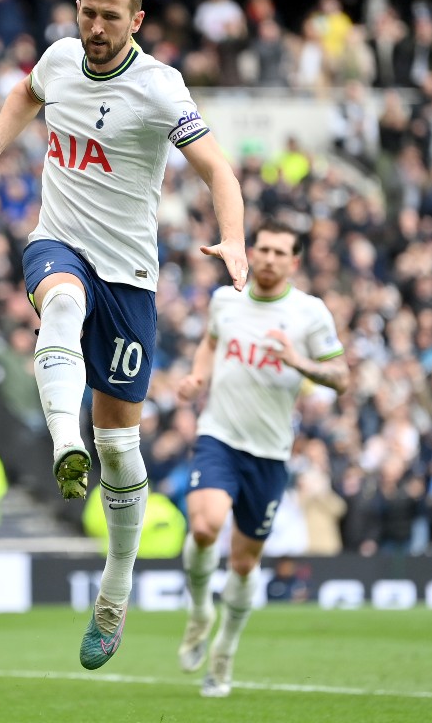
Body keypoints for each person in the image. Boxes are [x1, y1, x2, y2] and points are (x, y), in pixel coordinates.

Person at [0, 0, 248, 670]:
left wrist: (235, 238)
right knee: (59, 303)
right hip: (60, 242)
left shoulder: (158, 87)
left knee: (122, 447)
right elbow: (27, 94)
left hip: (130, 276)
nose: (93, 26)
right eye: (87, 10)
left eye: (109, 15)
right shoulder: (59, 59)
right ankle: (65, 441)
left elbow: (217, 167)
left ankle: (114, 593)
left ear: (136, 21)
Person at [176, 219, 350, 698]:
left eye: (281, 253)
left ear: (295, 262)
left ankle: (225, 651)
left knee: (244, 563)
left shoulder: (309, 314)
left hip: (271, 455)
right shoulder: (225, 300)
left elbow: (342, 377)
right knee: (206, 525)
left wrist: (299, 363)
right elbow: (211, 342)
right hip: (220, 436)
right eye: (264, 249)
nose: (270, 259)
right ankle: (198, 612)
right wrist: (197, 376)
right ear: (252, 253)